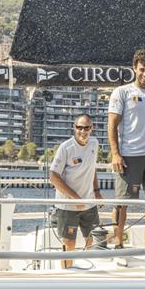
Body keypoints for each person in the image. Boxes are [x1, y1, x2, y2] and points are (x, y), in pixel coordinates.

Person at [108, 49, 145, 250]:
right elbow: (112, 125)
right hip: (128, 155)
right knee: (121, 203)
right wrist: (115, 154)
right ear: (134, 68)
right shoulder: (122, 92)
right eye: (142, 69)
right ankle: (118, 243)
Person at [49, 114, 102, 269]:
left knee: (91, 239)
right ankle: (67, 273)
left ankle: (87, 270)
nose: (83, 131)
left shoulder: (94, 143)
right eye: (79, 127)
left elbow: (92, 168)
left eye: (86, 127)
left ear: (91, 129)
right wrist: (75, 198)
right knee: (69, 242)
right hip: (68, 206)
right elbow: (53, 177)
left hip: (89, 202)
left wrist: (97, 191)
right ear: (74, 128)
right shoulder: (66, 148)